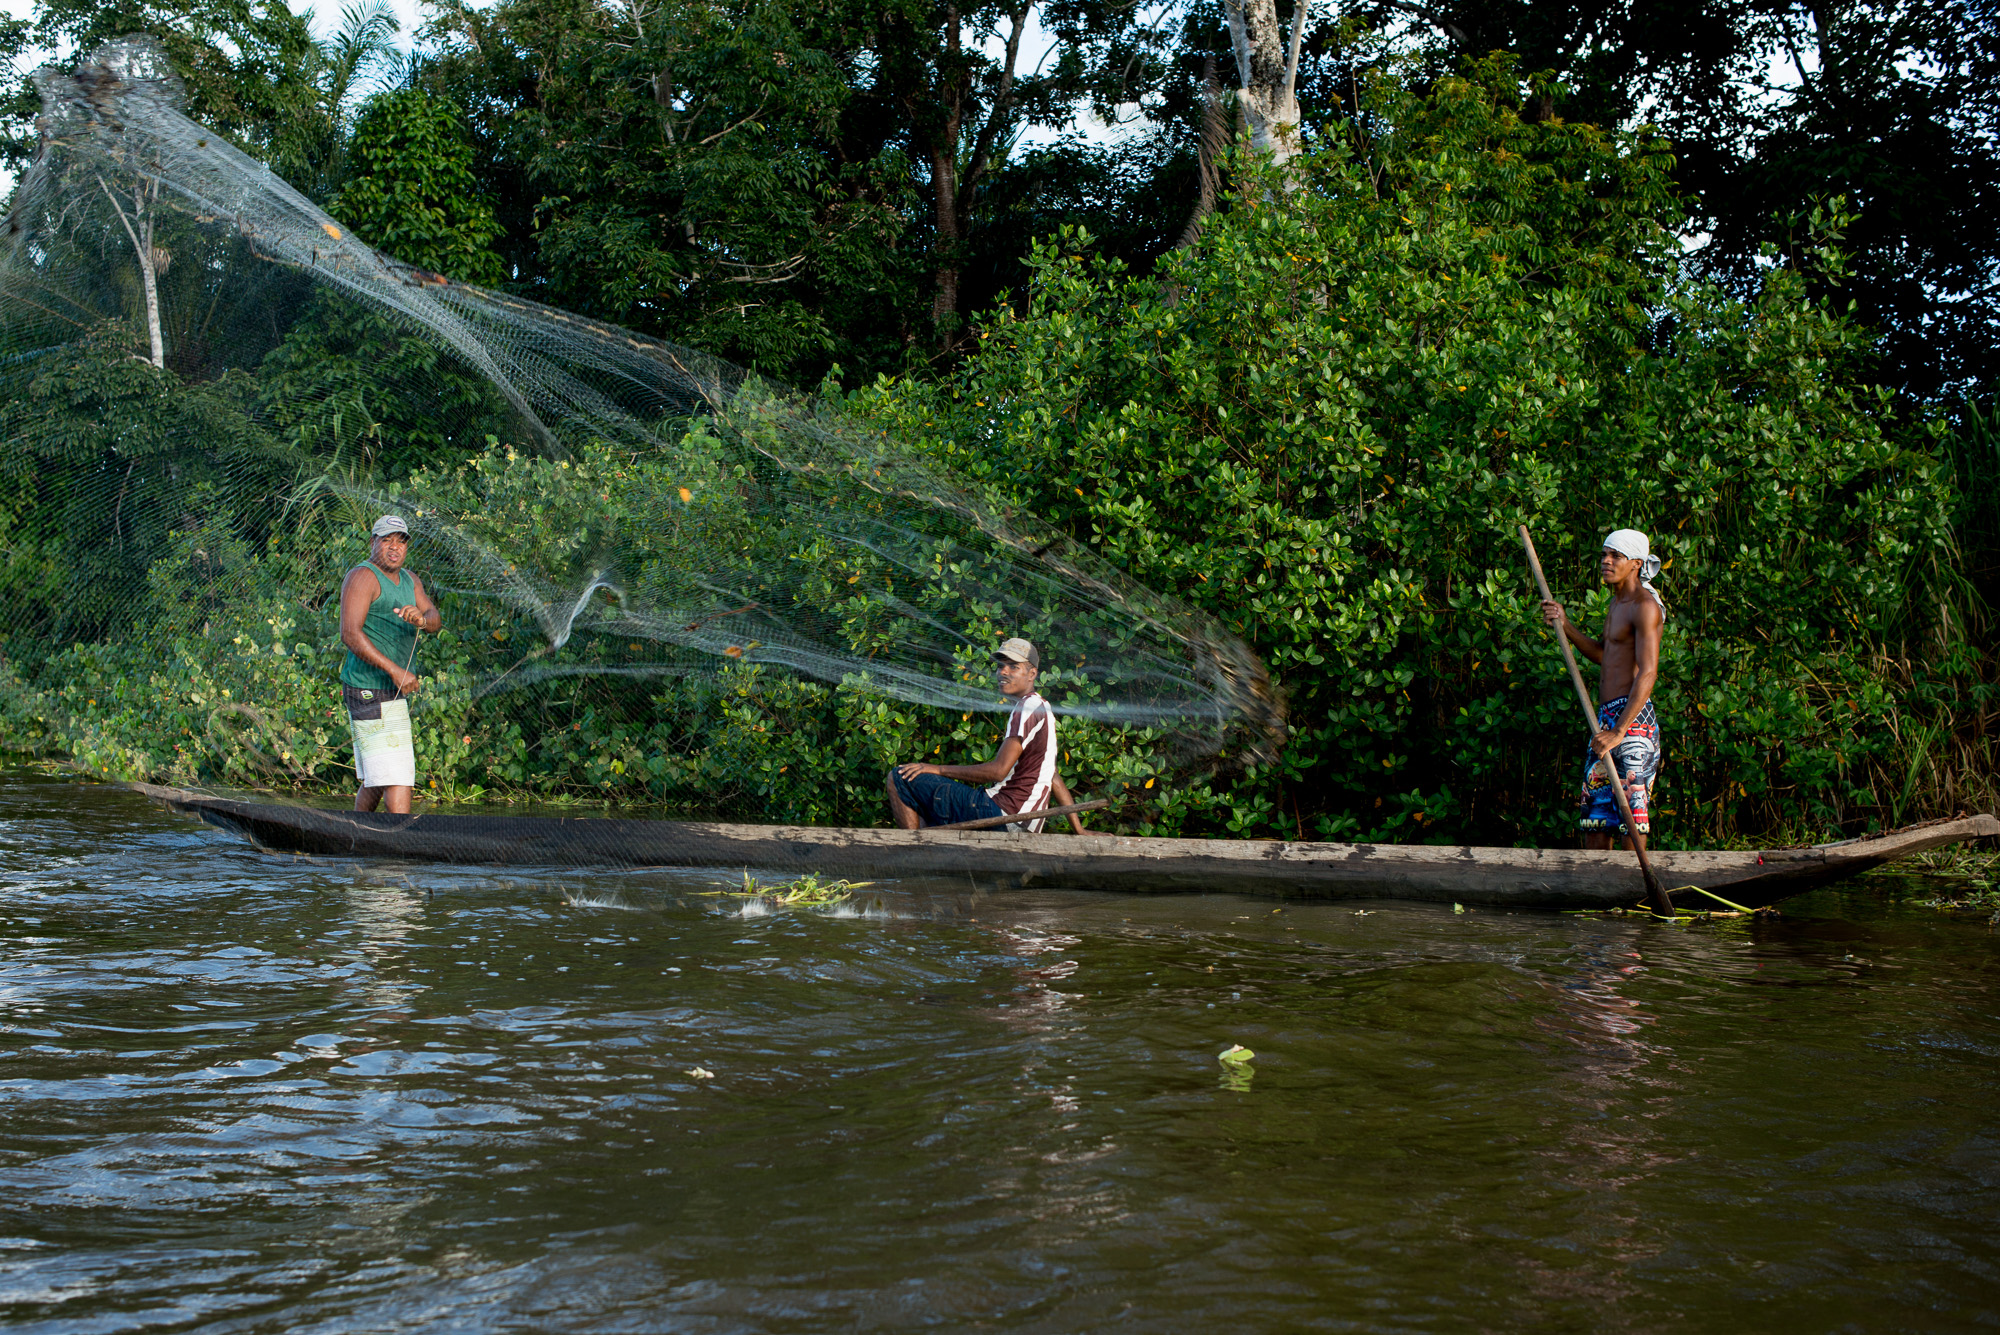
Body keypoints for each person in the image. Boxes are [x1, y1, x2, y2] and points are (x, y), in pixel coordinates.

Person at [886, 637, 1098, 834]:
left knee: (899, 777)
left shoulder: (1027, 707)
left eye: (1013, 666)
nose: (1003, 672)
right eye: (1000, 666)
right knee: (924, 802)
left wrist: (937, 769)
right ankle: (925, 849)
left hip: (1003, 814)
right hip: (1024, 823)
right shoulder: (1043, 708)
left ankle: (913, 850)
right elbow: (1053, 776)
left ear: (1032, 674)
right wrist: (1079, 829)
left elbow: (998, 771)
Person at [1540, 528, 1665, 851]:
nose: (1606, 561)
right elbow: (1603, 655)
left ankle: (1632, 881)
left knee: (1631, 817)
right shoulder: (1616, 603)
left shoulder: (1644, 606)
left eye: (1616, 556)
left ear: (1636, 563)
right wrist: (1565, 624)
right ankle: (1598, 882)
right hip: (1606, 719)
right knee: (1595, 817)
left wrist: (1620, 731)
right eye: (1604, 555)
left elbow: (1648, 672)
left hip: (1632, 721)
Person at [339, 515, 441, 814]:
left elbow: (434, 618)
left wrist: (421, 619)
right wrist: (394, 670)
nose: (395, 547)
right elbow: (350, 634)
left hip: (392, 691)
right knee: (397, 776)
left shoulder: (411, 580)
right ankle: (399, 839)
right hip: (367, 688)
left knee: (378, 777)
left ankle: (356, 832)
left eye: (401, 541)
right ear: (373, 543)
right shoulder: (363, 577)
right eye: (387, 540)